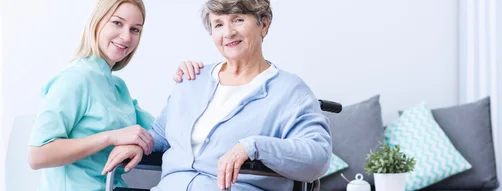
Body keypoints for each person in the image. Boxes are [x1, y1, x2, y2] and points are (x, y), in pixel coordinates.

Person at [102, 0, 333, 190]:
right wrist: (142, 146)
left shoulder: (290, 91)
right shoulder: (193, 79)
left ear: (264, 24)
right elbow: (162, 133)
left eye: (238, 20)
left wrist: (253, 146)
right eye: (218, 24)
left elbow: (318, 157)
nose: (228, 32)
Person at [27, 0, 202, 190]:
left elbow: (163, 133)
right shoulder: (73, 80)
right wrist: (110, 137)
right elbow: (37, 155)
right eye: (117, 23)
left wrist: (187, 85)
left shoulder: (117, 87)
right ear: (98, 21)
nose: (126, 37)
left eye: (135, 29)